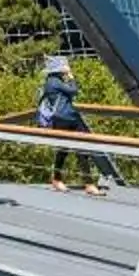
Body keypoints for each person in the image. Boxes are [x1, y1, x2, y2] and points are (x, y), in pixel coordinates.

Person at [33, 55, 112, 194]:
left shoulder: (53, 81)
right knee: (66, 150)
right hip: (65, 119)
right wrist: (71, 77)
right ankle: (64, 180)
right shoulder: (54, 82)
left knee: (78, 148)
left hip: (70, 118)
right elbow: (74, 90)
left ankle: (85, 183)